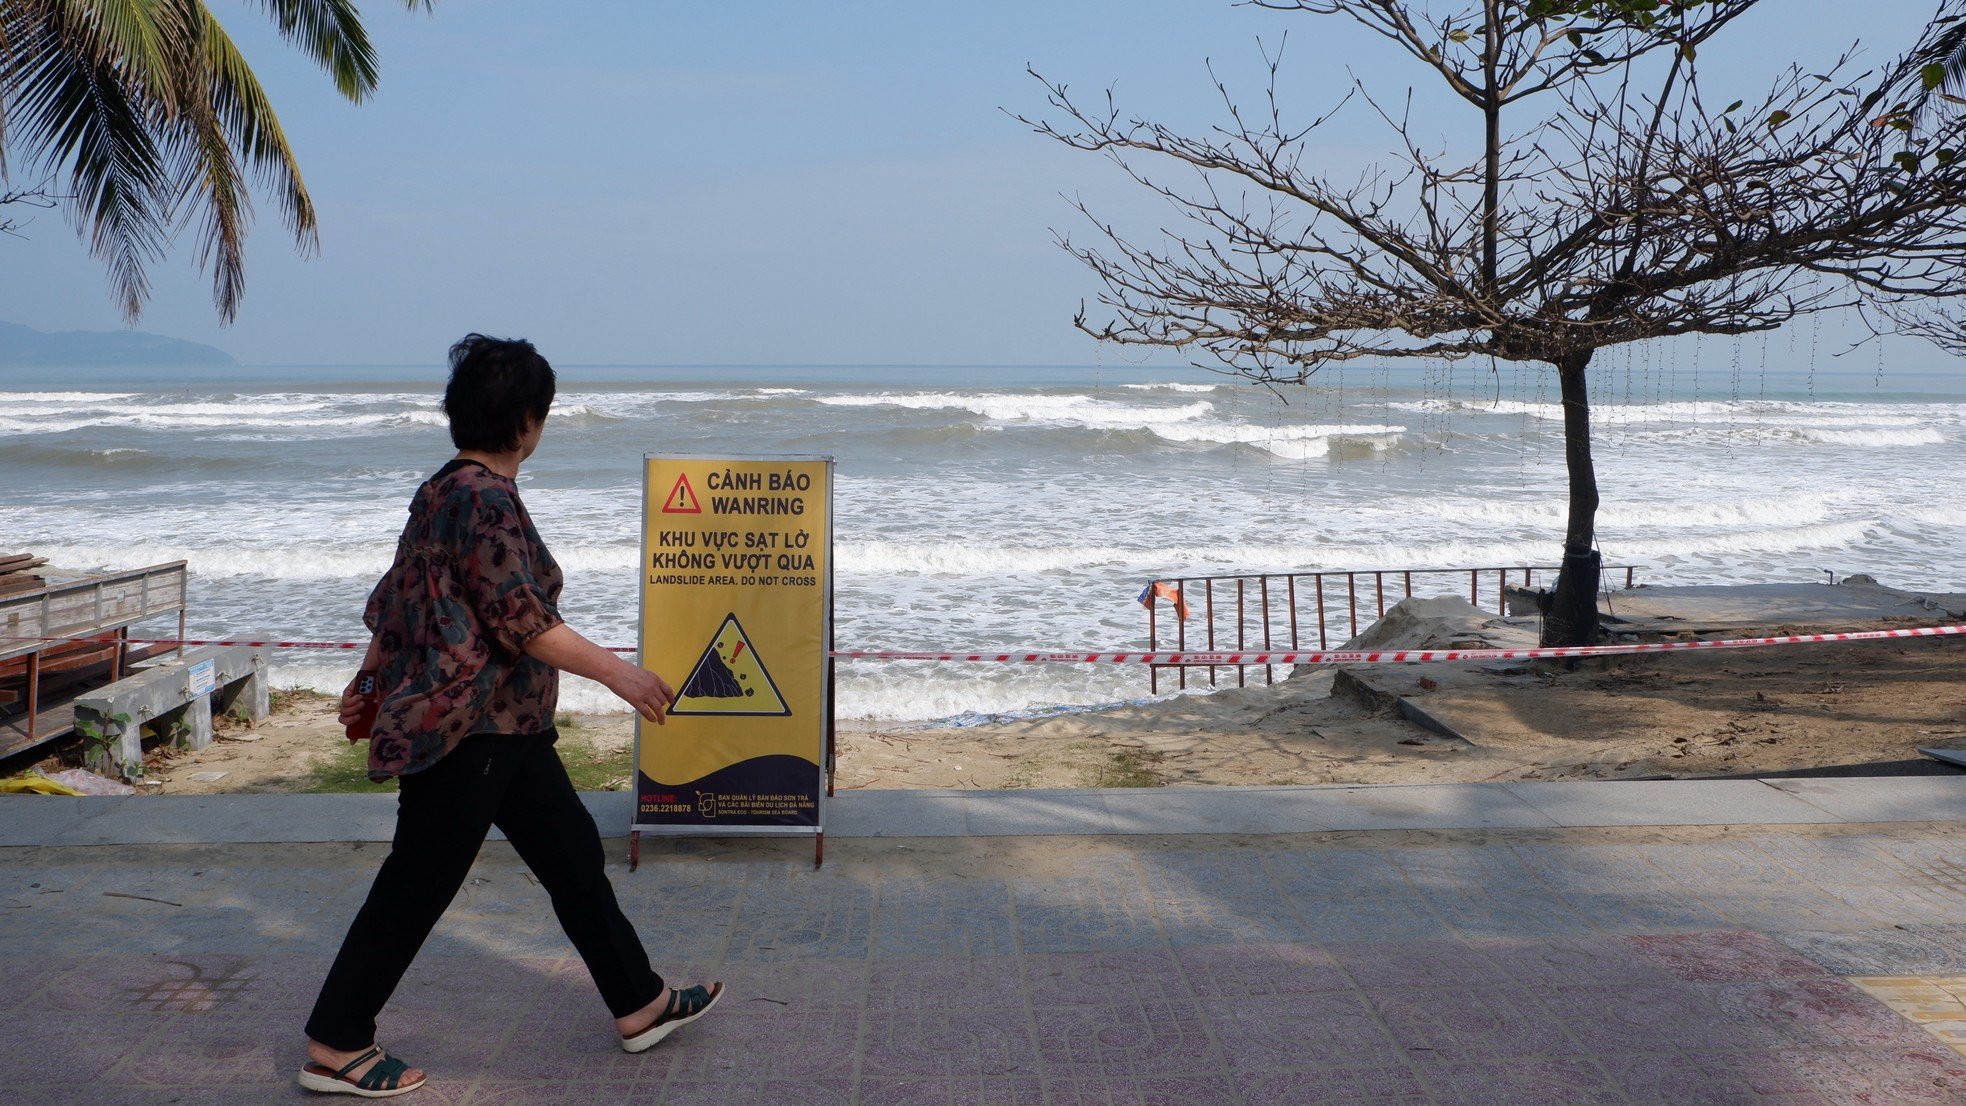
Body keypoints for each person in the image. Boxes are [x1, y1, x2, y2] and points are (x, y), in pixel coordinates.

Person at [298, 335, 722, 1098]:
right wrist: (623, 674)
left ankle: (640, 1002)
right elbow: (521, 621)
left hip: (509, 729)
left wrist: (368, 677)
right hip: (472, 730)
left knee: (571, 856)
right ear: (528, 420)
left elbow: (400, 595)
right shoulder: (487, 500)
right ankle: (336, 1042)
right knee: (418, 883)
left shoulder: (441, 489)